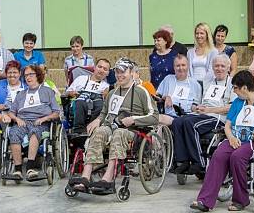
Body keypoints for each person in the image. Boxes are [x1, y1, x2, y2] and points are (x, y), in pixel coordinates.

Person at [190, 70, 254, 212]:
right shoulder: (238, 102)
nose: (234, 91)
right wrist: (231, 137)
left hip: (252, 141)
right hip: (235, 138)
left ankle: (240, 200)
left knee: (237, 157)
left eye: (236, 88)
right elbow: (228, 124)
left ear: (244, 88)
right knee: (218, 155)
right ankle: (205, 200)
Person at [68, 58, 159, 193]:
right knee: (99, 131)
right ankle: (86, 176)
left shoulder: (141, 91)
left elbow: (154, 116)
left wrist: (134, 119)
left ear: (131, 73)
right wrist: (98, 120)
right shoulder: (112, 93)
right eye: (117, 72)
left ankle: (108, 178)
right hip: (111, 126)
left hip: (132, 131)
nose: (120, 75)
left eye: (123, 72)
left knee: (119, 133)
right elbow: (104, 113)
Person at [171, 54, 236, 178]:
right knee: (178, 122)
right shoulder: (208, 81)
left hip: (218, 117)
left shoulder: (232, 83)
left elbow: (231, 108)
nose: (219, 69)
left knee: (191, 124)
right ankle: (183, 160)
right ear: (212, 67)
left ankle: (199, 162)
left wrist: (209, 110)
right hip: (203, 113)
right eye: (216, 66)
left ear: (228, 67)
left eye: (222, 66)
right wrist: (197, 107)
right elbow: (200, 101)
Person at [6, 65, 61, 180]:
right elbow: (11, 112)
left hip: (40, 122)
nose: (28, 77)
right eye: (26, 75)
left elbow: (56, 112)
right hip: (23, 121)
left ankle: (30, 167)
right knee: (13, 133)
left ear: (38, 76)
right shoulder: (20, 94)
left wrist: (44, 119)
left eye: (31, 74)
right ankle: (18, 169)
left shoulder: (47, 91)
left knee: (35, 132)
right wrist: (17, 119)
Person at [65, 58, 111, 133]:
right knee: (80, 101)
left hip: (95, 106)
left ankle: (91, 127)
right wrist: (71, 93)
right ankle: (78, 130)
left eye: (105, 69)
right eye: (99, 67)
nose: (101, 70)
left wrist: (107, 94)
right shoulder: (80, 79)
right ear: (94, 67)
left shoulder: (106, 86)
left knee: (100, 104)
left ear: (108, 73)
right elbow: (67, 92)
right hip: (79, 102)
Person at [156, 54, 202, 126]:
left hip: (187, 117)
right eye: (178, 66)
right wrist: (166, 97)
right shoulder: (168, 79)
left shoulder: (195, 84)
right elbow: (157, 97)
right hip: (169, 115)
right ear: (174, 67)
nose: (181, 68)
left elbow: (196, 104)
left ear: (188, 66)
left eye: (183, 65)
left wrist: (196, 108)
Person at [187, 23, 218, 89]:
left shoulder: (213, 51)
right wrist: (193, 83)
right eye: (197, 33)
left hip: (208, 85)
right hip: (192, 85)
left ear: (207, 35)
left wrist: (203, 84)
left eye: (201, 33)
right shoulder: (190, 52)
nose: (199, 36)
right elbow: (188, 70)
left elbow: (212, 70)